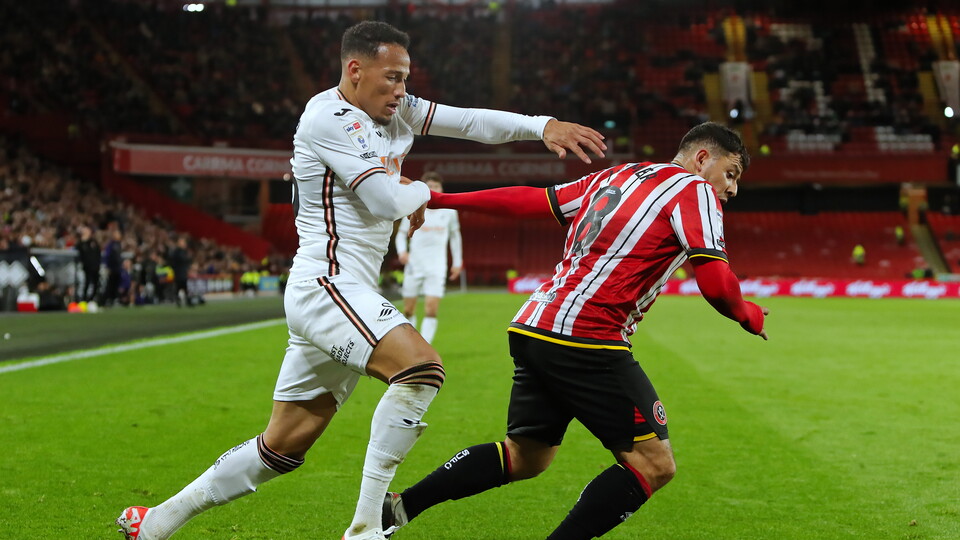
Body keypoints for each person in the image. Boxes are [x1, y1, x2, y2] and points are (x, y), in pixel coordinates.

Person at [115, 20, 605, 540]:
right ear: (355, 69)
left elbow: (469, 122)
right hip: (326, 282)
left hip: (348, 291)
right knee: (420, 369)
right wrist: (418, 192)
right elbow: (387, 201)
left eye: (405, 79)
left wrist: (541, 125)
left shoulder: (396, 110)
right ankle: (366, 528)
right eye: (391, 78)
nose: (401, 91)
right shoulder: (329, 117)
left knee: (281, 447)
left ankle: (156, 523)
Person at [381, 122, 769, 540]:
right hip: (587, 337)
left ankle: (399, 507)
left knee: (527, 455)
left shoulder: (615, 176)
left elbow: (529, 200)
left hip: (535, 325)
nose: (731, 189)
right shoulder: (695, 190)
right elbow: (714, 282)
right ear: (702, 158)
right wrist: (748, 313)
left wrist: (438, 198)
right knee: (654, 464)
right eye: (730, 174)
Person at [394, 171, 462, 344]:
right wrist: (402, 252)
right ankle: (410, 344)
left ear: (441, 188)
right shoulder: (412, 208)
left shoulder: (448, 212)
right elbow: (401, 235)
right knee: (408, 310)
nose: (432, 189)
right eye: (429, 186)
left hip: (437, 266)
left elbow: (455, 237)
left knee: (431, 309)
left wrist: (457, 262)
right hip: (414, 265)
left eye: (436, 186)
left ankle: (424, 346)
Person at [75, 226, 101, 303]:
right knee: (86, 283)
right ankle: (84, 299)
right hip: (87, 267)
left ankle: (92, 299)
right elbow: (79, 249)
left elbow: (98, 252)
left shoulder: (93, 242)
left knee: (96, 284)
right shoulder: (81, 243)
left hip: (95, 266)